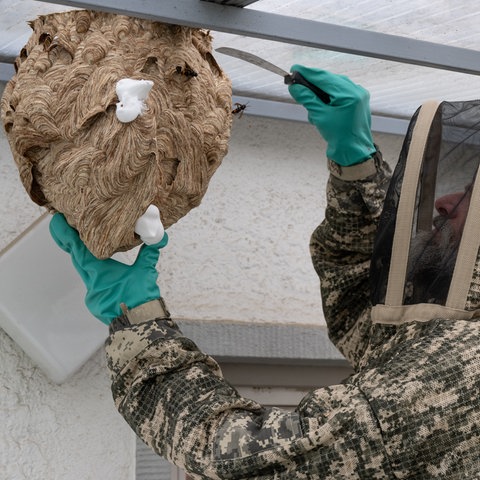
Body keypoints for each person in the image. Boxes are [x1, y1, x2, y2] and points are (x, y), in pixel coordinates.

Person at [49, 66, 480, 478]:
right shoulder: (452, 332)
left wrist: (137, 320)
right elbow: (362, 307)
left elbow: (235, 454)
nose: (446, 201)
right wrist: (358, 165)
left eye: (470, 201)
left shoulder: (464, 376)